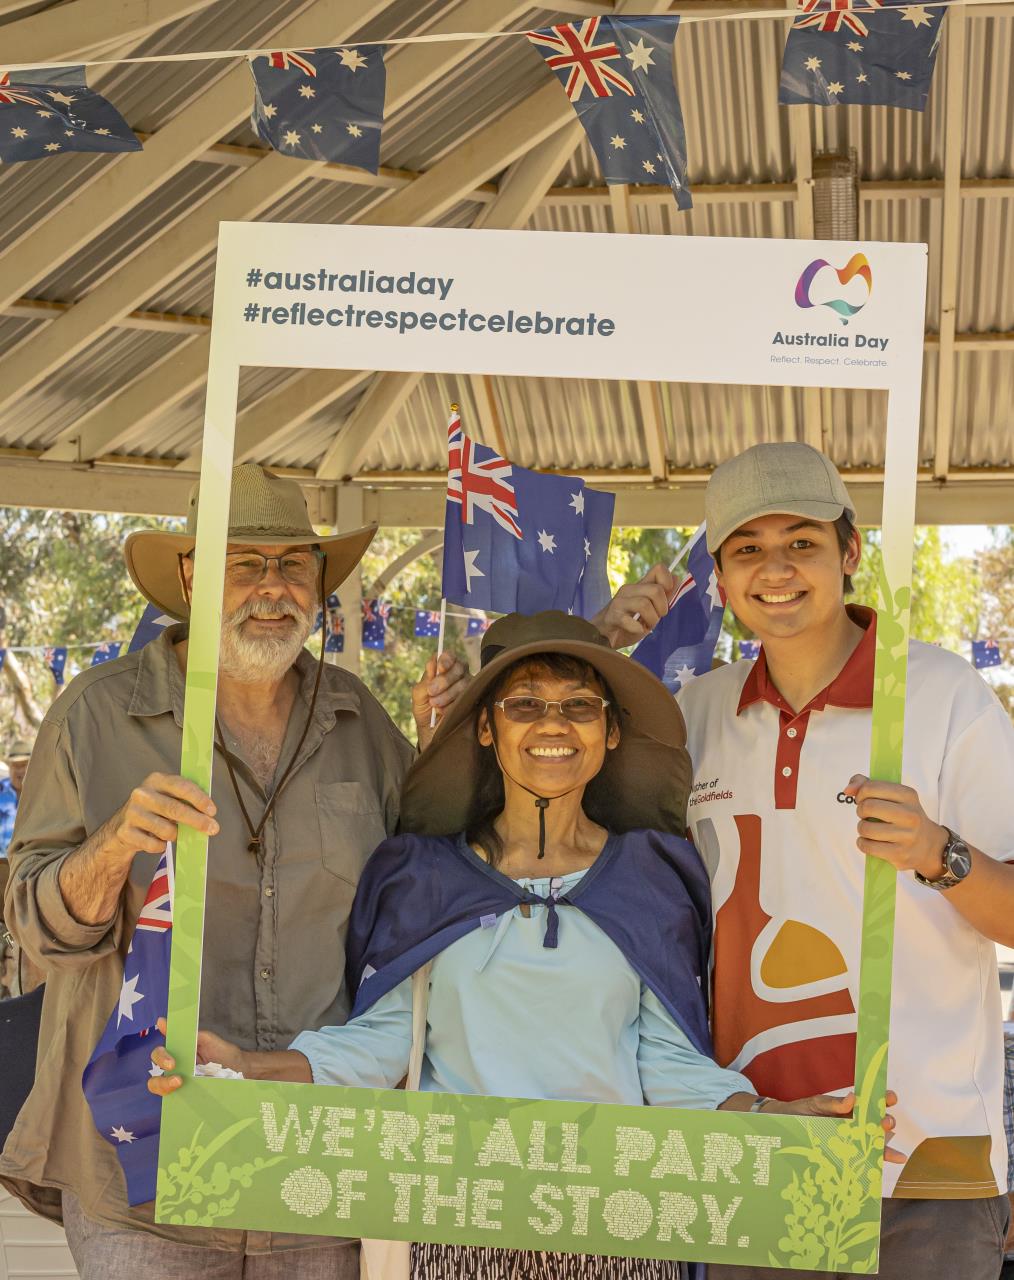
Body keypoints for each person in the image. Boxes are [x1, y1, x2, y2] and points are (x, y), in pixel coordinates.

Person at [151, 611, 898, 1280]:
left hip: (616, 1228)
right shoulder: (424, 877)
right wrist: (249, 1068)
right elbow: (381, 1046)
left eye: (578, 706)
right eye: (524, 705)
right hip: (455, 1224)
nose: (553, 723)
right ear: (486, 728)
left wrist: (771, 1117)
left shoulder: (653, 878)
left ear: (609, 733)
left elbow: (666, 1063)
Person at [0, 464, 468, 1279]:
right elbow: (33, 921)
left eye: (294, 565)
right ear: (190, 577)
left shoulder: (362, 722)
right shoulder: (99, 713)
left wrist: (442, 748)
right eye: (244, 563)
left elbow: (426, 891)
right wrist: (111, 848)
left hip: (314, 1160)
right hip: (142, 1166)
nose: (273, 588)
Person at [594, 442, 1014, 1279]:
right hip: (756, 1140)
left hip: (925, 1164)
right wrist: (600, 643)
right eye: (747, 548)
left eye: (802, 542)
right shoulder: (695, 712)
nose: (776, 569)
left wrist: (940, 854)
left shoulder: (940, 695)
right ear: (718, 574)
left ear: (850, 552)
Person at [0, 737, 36, 997]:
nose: (20, 770)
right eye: (15, 765)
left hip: (30, 875)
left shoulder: (42, 794)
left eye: (25, 764)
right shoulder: (1, 795)